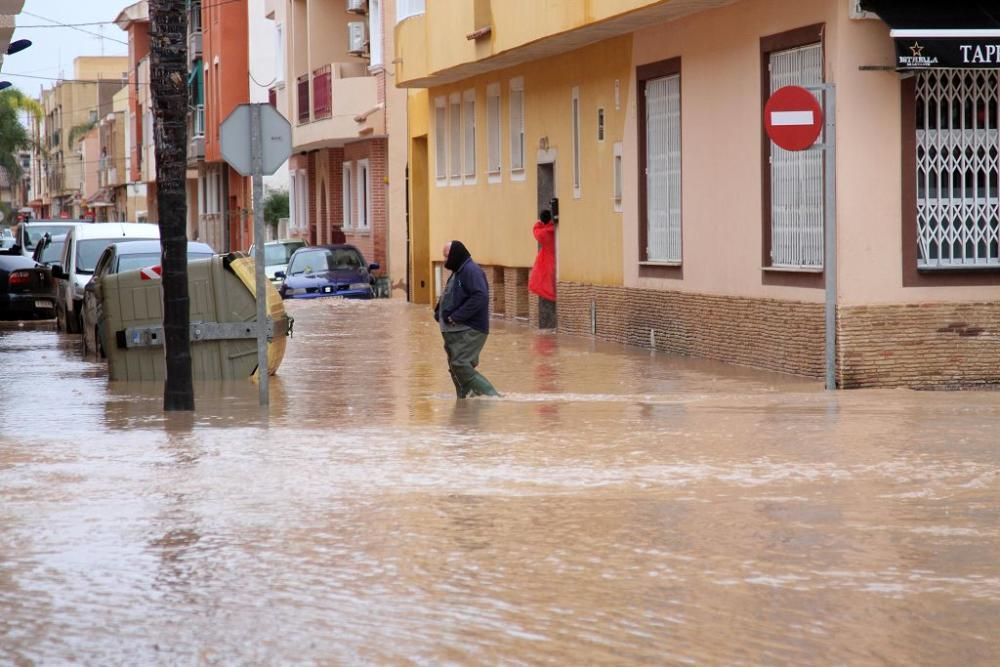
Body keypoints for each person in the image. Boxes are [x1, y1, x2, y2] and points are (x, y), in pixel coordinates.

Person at [434, 240, 500, 398]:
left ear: (456, 255)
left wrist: (456, 316)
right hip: (457, 331)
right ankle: (466, 401)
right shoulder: (458, 271)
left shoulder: (471, 270)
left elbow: (480, 296)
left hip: (471, 329)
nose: (444, 261)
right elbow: (452, 295)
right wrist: (439, 311)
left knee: (461, 365)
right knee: (455, 367)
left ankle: (492, 398)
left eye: (446, 257)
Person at [528, 209, 557, 328]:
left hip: (547, 261)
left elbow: (535, 230)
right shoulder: (555, 230)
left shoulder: (542, 233)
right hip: (556, 260)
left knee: (546, 285)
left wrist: (539, 222)